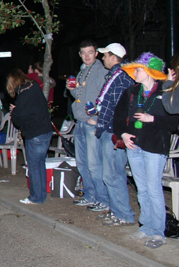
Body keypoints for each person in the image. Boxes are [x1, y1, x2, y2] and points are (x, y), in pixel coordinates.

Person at [113, 53, 178, 249]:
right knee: (142, 189)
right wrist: (122, 134)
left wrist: (154, 119)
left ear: (149, 72)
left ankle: (158, 233)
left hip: (155, 146)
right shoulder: (132, 92)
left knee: (154, 189)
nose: (134, 74)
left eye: (138, 70)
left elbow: (175, 122)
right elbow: (118, 116)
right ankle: (146, 227)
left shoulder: (166, 91)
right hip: (135, 146)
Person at [92, 43, 136, 226]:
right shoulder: (116, 75)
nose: (103, 58)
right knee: (110, 174)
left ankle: (124, 215)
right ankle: (117, 210)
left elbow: (118, 109)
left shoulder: (121, 77)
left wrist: (111, 128)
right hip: (108, 130)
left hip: (113, 133)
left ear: (113, 56)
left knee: (113, 174)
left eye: (105, 55)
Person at [66, 40, 108, 211]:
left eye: (90, 52)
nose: (87, 56)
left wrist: (96, 118)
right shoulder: (82, 72)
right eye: (83, 53)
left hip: (91, 123)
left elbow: (105, 97)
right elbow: (79, 95)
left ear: (96, 53)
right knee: (82, 163)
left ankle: (103, 199)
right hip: (80, 121)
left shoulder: (101, 71)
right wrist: (71, 88)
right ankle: (89, 195)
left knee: (94, 163)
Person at [7, 69, 53, 205]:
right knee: (40, 165)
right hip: (46, 131)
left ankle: (36, 197)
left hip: (35, 134)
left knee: (34, 166)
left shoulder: (23, 95)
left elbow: (19, 120)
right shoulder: (34, 88)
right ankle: (41, 194)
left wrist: (14, 111)